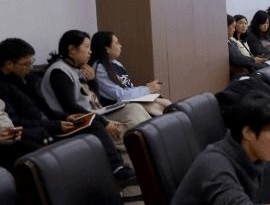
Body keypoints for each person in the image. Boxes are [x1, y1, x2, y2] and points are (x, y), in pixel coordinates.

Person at [0, 38, 135, 183]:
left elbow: (47, 109)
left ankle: (118, 168)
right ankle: (116, 169)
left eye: (31, 63)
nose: (30, 68)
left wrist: (65, 117)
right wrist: (56, 125)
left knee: (97, 121)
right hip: (40, 133)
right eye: (26, 64)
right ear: (9, 64)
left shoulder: (28, 78)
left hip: (52, 124)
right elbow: (16, 124)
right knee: (95, 124)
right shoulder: (5, 87)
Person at [40, 30, 151, 138]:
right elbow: (71, 107)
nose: (90, 52)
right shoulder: (59, 72)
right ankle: (146, 140)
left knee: (134, 108)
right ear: (72, 49)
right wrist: (104, 122)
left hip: (96, 114)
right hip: (83, 120)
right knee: (132, 122)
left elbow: (95, 100)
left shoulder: (80, 69)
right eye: (87, 47)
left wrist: (92, 81)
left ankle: (150, 137)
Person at [90, 31, 171, 116]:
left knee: (164, 102)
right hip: (116, 108)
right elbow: (120, 95)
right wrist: (147, 89)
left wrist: (147, 88)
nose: (120, 46)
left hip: (129, 102)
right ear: (107, 49)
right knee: (157, 108)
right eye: (117, 43)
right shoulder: (99, 68)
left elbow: (129, 88)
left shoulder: (116, 64)